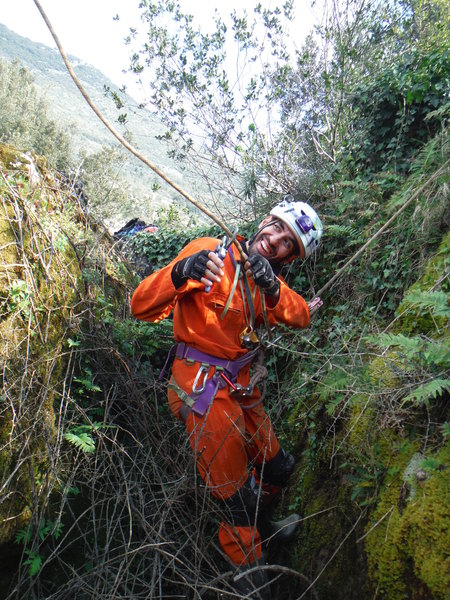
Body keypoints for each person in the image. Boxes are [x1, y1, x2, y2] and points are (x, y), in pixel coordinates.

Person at [130, 196, 323, 598]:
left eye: (287, 243)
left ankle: (264, 529)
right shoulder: (209, 253)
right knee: (236, 498)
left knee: (278, 468)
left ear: (289, 257)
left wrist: (272, 286)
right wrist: (182, 272)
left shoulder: (264, 282)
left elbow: (300, 315)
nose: (275, 241)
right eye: (277, 229)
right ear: (265, 221)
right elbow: (141, 305)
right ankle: (252, 578)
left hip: (240, 389)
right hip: (202, 389)